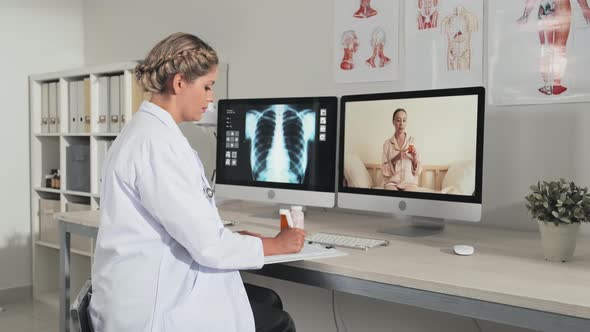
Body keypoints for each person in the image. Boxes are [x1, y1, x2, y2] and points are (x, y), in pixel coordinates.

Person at [88, 32, 305, 332]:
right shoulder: (157, 144)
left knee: (267, 301)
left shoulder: (148, 133)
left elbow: (189, 226)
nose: (211, 97)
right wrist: (276, 244)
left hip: (145, 287)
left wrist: (234, 237)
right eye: (207, 86)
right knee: (278, 323)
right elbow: (209, 247)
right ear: (179, 83)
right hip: (153, 308)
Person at [517, 0, 590, 95]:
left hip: (546, 5)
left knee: (546, 48)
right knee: (560, 48)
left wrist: (525, 15)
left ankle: (547, 86)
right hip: (563, 5)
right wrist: (585, 8)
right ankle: (556, 85)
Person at [381, 108, 422, 191]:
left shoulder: (412, 142)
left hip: (410, 184)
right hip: (392, 183)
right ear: (393, 122)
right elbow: (384, 169)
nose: (401, 124)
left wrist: (414, 157)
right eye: (398, 120)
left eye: (404, 120)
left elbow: (418, 171)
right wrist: (396, 158)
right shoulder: (387, 144)